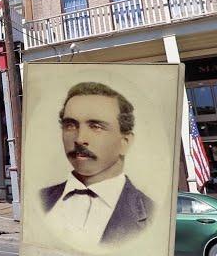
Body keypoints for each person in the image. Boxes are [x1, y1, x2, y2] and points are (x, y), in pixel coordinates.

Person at [40, 81, 154, 247]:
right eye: (70, 125)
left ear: (125, 142)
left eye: (96, 126)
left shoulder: (151, 214)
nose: (79, 139)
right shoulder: (40, 200)